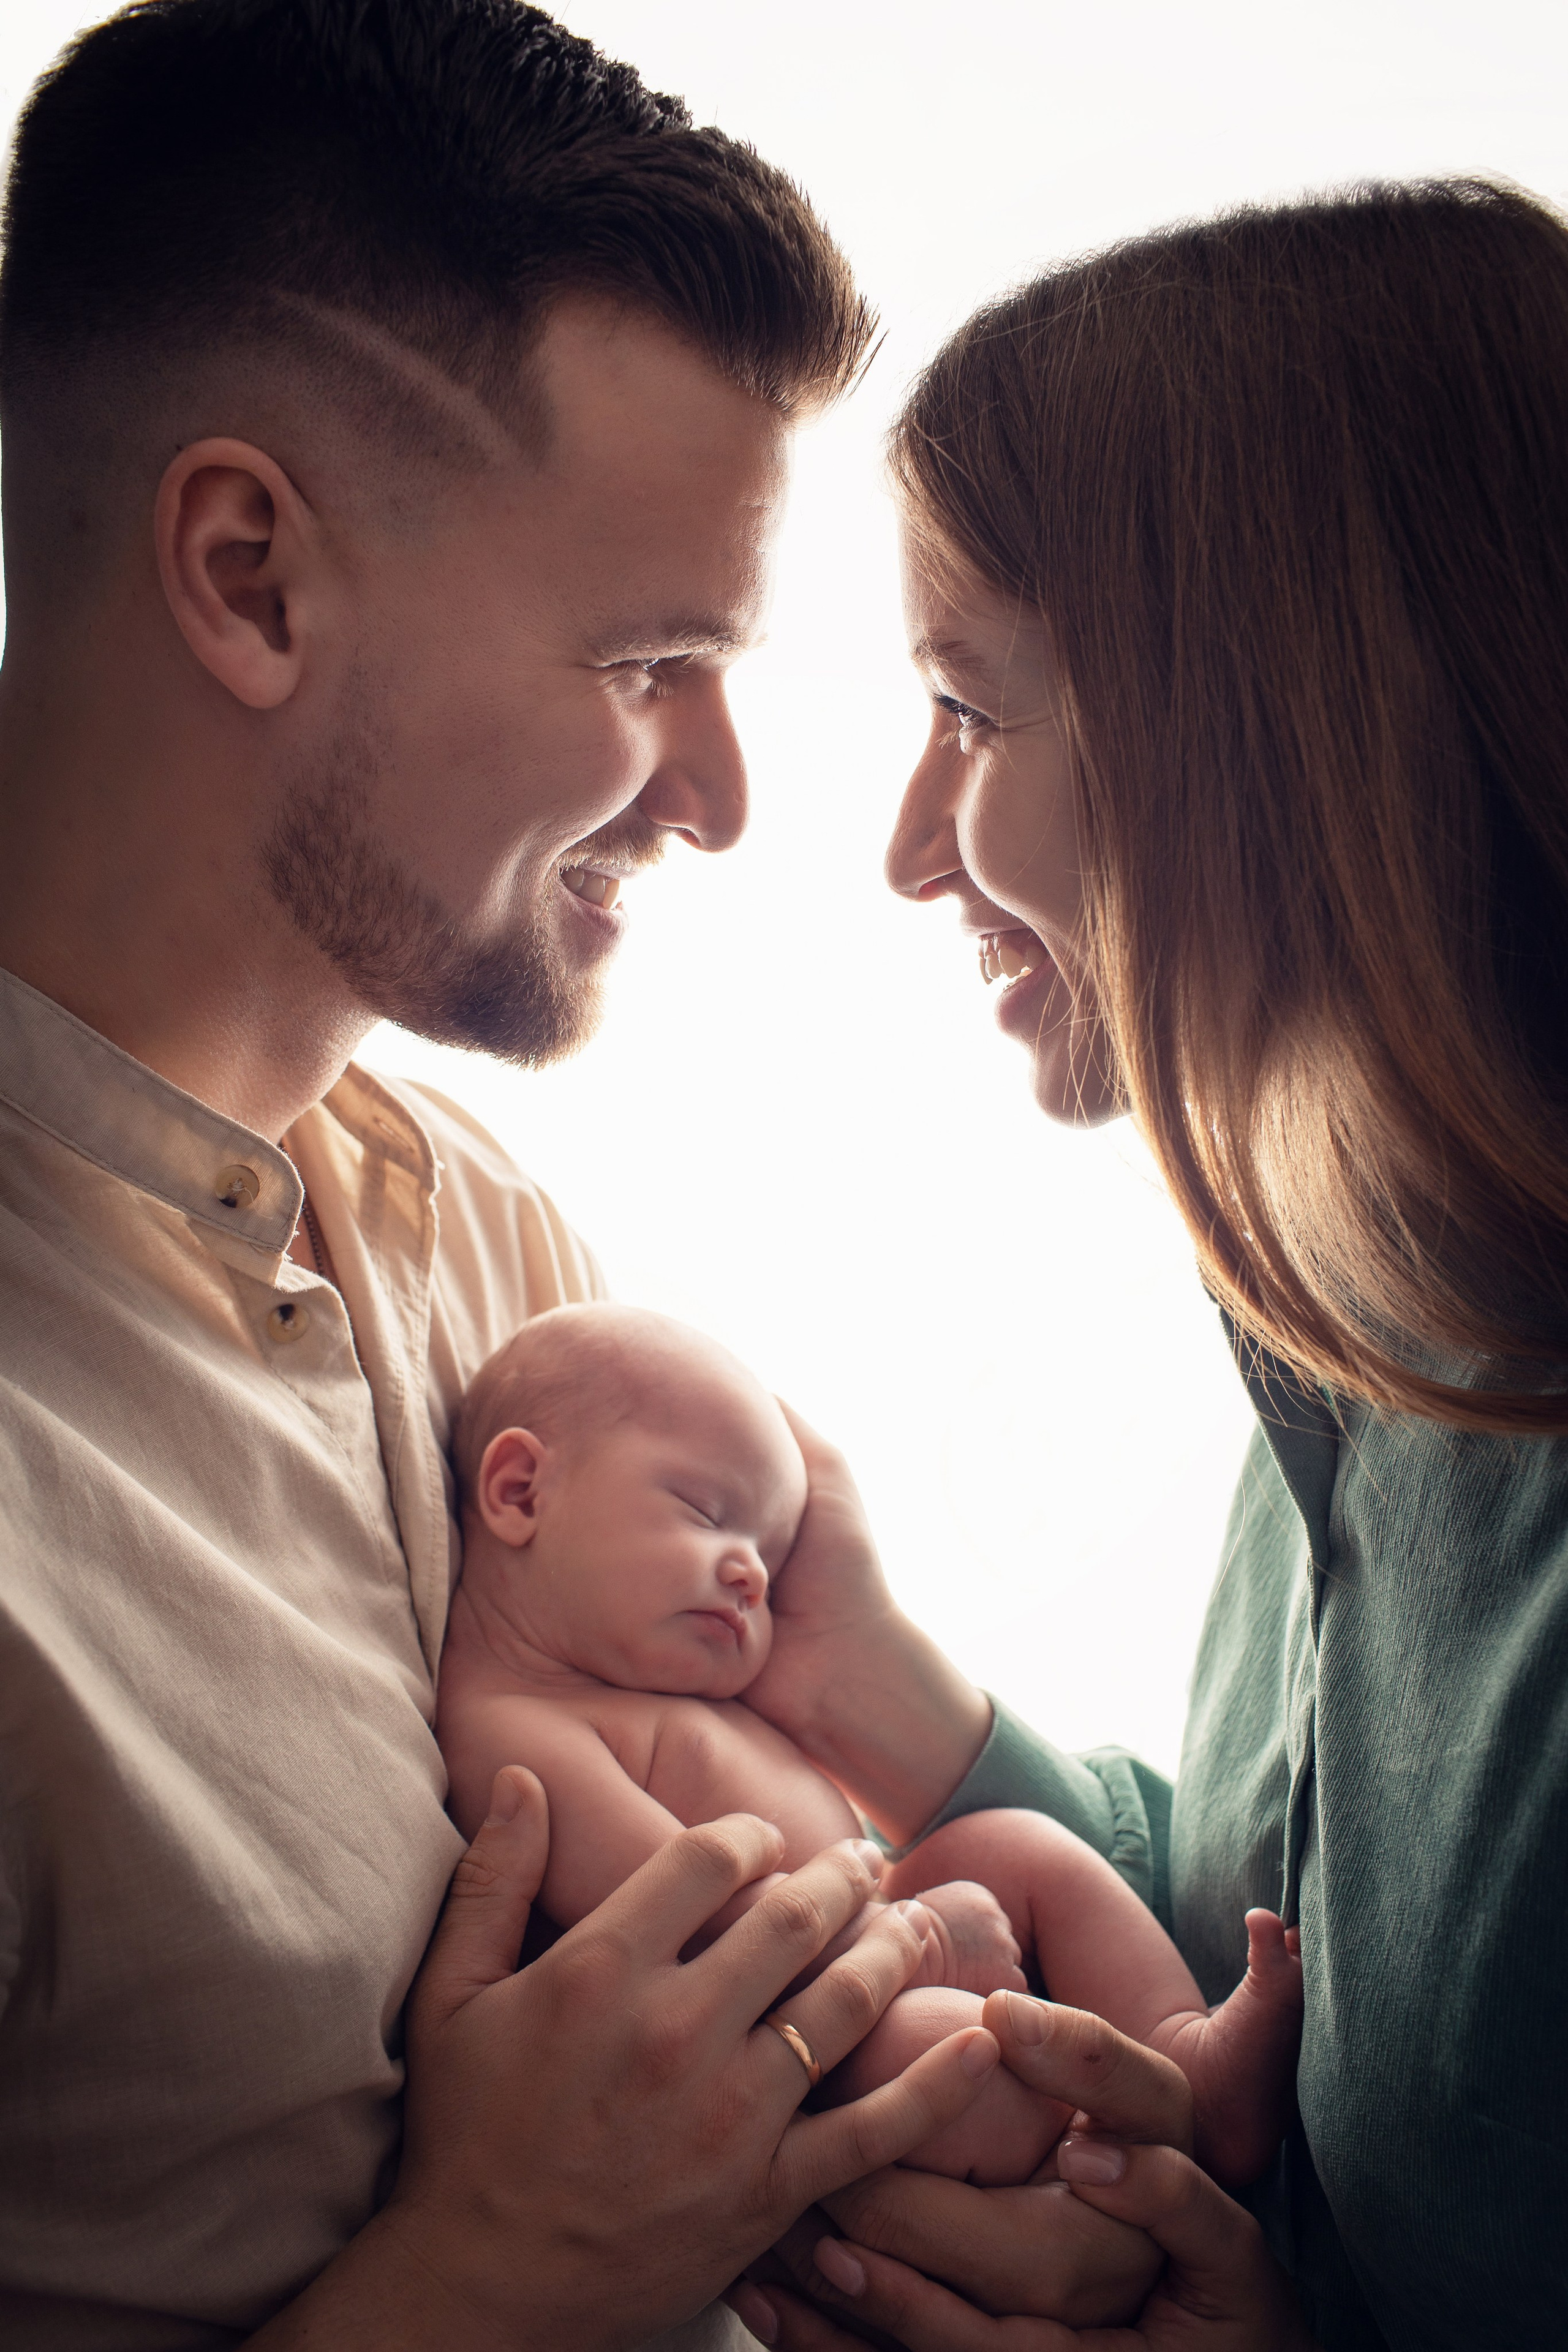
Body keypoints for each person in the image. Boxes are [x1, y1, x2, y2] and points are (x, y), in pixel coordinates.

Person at [0, 3, 1038, 2344]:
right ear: (252, 574)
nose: (726, 797)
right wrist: (494, 2279)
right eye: (655, 658)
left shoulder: (488, 1241)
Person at [710, 181, 1568, 2351]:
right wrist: (880, 1691)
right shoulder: (1362, 1334)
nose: (916, 846)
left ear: (1276, 720)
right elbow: (1325, 1949)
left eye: (972, 714)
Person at [437, 1298, 1306, 2198]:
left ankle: (1183, 2062)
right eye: (705, 1512)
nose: (751, 1575)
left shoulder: (620, 1678)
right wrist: (921, 1942)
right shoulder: (513, 1730)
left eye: (769, 1561)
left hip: (871, 1923)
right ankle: (1105, 2174)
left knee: (1019, 1843)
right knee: (959, 2063)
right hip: (788, 2027)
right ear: (520, 1493)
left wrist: (910, 1914)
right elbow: (696, 1930)